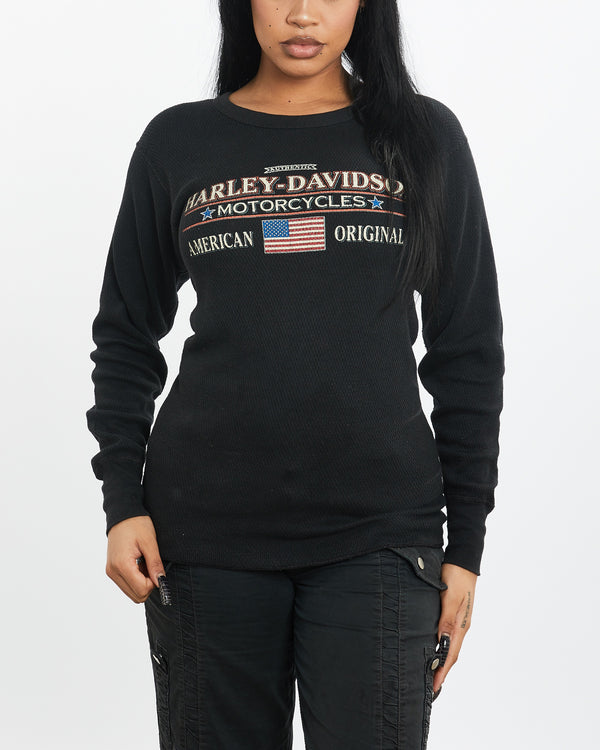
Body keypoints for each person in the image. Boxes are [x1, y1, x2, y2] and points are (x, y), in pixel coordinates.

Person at [85, 0, 504, 747]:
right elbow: (125, 335)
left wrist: (465, 547)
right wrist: (122, 502)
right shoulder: (179, 141)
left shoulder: (424, 136)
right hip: (204, 536)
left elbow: (467, 347)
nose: (303, 13)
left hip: (381, 534)